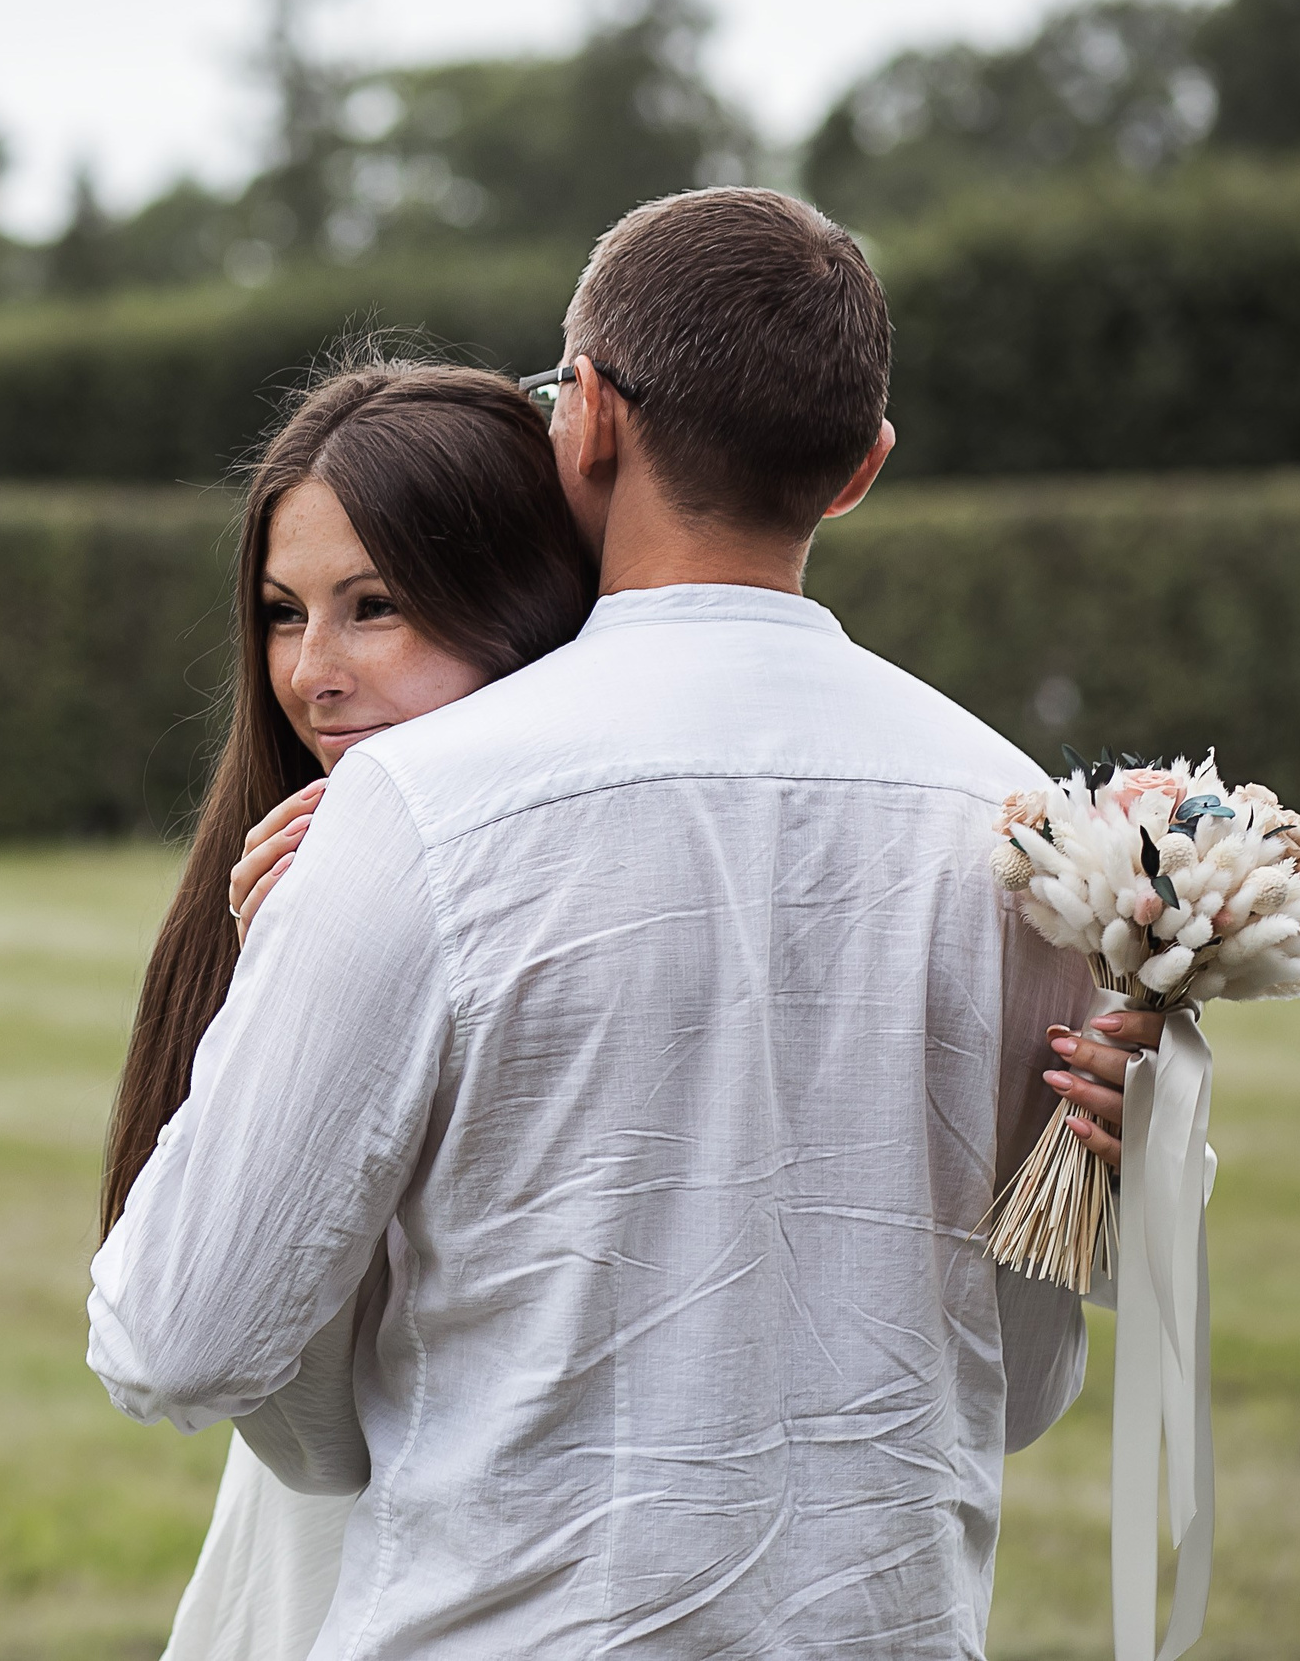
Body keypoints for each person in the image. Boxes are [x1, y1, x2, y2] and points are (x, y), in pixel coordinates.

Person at [89, 187, 1154, 1660]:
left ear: (584, 417)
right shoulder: (1025, 824)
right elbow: (1022, 1385)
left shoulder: (422, 808)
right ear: (860, 470)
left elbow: (177, 1339)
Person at [100, 357, 598, 1661]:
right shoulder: (281, 875)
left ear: (522, 598)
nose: (313, 672)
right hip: (321, 1567)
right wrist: (291, 1010)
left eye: (374, 606)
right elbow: (314, 1428)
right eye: (282, 613)